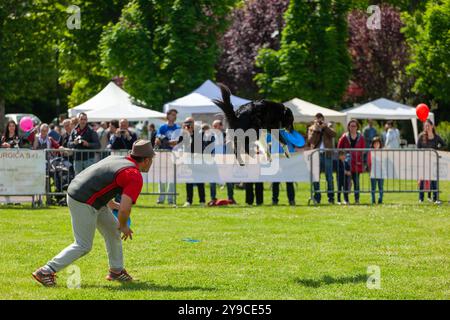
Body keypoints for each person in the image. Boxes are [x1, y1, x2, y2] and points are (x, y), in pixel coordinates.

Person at [32, 140, 155, 287]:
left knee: (112, 231)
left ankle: (116, 271)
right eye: (152, 159)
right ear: (146, 160)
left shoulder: (117, 158)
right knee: (83, 244)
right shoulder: (133, 174)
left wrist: (111, 205)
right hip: (83, 200)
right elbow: (124, 209)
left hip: (84, 193)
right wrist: (123, 225)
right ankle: (46, 271)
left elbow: (101, 179)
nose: (152, 162)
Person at [307, 113, 336, 204]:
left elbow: (334, 134)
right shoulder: (312, 128)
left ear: (323, 119)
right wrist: (317, 129)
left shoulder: (328, 126)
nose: (319, 121)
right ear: (315, 120)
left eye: (321, 119)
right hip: (316, 155)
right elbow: (311, 141)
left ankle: (331, 198)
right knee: (316, 177)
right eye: (318, 119)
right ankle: (317, 197)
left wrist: (325, 127)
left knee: (329, 177)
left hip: (327, 155)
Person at [155, 109, 181, 205]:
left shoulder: (177, 127)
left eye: (175, 115)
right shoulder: (162, 127)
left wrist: (165, 141)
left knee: (171, 177)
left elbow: (176, 141)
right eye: (172, 114)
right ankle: (161, 198)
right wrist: (162, 140)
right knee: (161, 176)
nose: (174, 117)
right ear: (168, 115)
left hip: (173, 154)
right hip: (162, 154)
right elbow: (157, 140)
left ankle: (170, 199)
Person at [337, 119, 366, 204]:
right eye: (351, 126)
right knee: (346, 182)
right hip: (346, 164)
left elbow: (363, 150)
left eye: (354, 126)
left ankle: (357, 200)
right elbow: (339, 148)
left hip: (357, 163)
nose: (353, 127)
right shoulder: (344, 137)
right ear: (348, 127)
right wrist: (342, 158)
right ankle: (346, 200)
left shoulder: (361, 137)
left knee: (356, 183)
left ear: (357, 127)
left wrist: (363, 162)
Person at [208, 119, 236, 205]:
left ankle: (231, 198)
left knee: (229, 180)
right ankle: (213, 199)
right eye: (213, 126)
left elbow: (232, 148)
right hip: (214, 161)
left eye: (216, 126)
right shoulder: (210, 137)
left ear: (221, 126)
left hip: (226, 161)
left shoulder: (227, 136)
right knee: (212, 181)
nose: (214, 128)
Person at [417, 119, 445, 204]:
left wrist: (438, 149)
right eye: (425, 126)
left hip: (434, 163)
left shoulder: (436, 137)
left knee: (434, 181)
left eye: (428, 125)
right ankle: (421, 199)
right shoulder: (421, 136)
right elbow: (417, 148)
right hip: (423, 162)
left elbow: (444, 144)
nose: (427, 127)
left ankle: (435, 198)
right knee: (422, 180)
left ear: (432, 126)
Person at [182, 118, 206, 207]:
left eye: (189, 123)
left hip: (198, 160)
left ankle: (202, 201)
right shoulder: (184, 134)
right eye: (186, 123)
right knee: (188, 181)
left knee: (200, 180)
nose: (188, 125)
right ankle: (188, 201)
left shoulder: (199, 133)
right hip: (188, 160)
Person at [368, 137, 384, 205]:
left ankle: (380, 199)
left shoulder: (382, 152)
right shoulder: (370, 152)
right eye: (375, 143)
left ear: (380, 144)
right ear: (373, 144)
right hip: (373, 172)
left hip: (381, 172)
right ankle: (373, 200)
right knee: (373, 187)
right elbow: (369, 162)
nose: (376, 145)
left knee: (381, 187)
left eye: (378, 143)